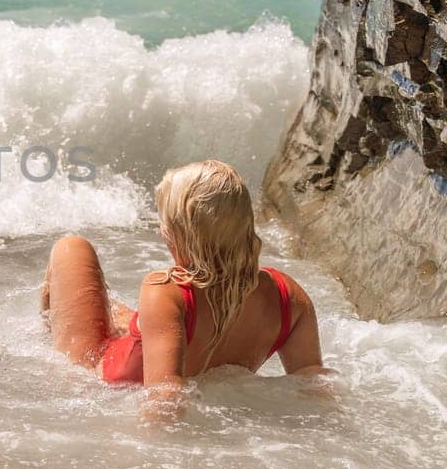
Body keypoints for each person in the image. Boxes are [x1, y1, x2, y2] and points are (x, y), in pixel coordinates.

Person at [41, 160, 328, 412]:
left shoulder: (165, 291)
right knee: (126, 315)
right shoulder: (287, 295)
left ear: (182, 234)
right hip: (165, 331)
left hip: (103, 370)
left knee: (72, 248)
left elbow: (164, 397)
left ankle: (44, 326)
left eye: (165, 223)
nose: (159, 230)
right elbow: (314, 382)